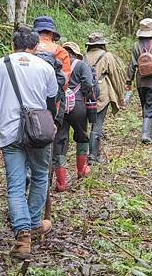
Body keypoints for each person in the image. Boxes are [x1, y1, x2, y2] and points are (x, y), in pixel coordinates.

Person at [0, 26, 58, 260]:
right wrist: (50, 123)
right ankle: (35, 222)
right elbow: (51, 102)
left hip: (10, 132)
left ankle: (23, 235)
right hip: (39, 132)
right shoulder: (45, 67)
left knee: (15, 185)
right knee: (40, 176)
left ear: (13, 45)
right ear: (35, 46)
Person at [51, 42, 96, 192]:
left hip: (60, 106)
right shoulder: (82, 65)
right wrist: (87, 98)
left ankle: (61, 182)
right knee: (82, 136)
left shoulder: (57, 63)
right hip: (78, 105)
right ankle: (81, 170)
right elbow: (89, 84)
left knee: (59, 140)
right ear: (76, 54)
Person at [84, 32, 125, 164]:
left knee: (85, 124)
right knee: (97, 123)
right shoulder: (107, 56)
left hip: (86, 93)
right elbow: (115, 77)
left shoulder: (84, 56)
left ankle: (84, 154)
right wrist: (120, 96)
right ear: (102, 44)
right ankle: (93, 155)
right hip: (102, 93)